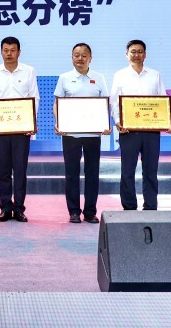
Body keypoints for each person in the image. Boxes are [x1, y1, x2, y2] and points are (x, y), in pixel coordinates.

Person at [110, 39, 171, 211]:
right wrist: (118, 121)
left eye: (139, 51)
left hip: (151, 131)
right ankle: (129, 207)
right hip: (128, 130)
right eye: (133, 51)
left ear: (145, 54)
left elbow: (162, 99)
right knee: (127, 171)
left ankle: (150, 206)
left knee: (151, 171)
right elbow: (114, 102)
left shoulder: (155, 75)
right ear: (127, 54)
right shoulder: (120, 75)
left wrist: (167, 121)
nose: (136, 55)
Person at [0, 36, 40, 223]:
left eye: (13, 50)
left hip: (22, 130)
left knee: (20, 170)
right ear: (1, 52)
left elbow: (34, 97)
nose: (9, 54)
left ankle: (20, 209)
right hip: (0, 130)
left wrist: (30, 122)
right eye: (6, 50)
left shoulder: (29, 71)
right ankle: (5, 208)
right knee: (4, 171)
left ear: (19, 52)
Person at [53, 43, 109, 224]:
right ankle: (74, 212)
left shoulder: (99, 77)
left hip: (93, 134)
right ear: (72, 58)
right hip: (71, 134)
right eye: (76, 55)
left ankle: (90, 212)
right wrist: (59, 123)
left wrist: (105, 124)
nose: (80, 58)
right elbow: (57, 104)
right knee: (71, 173)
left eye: (84, 55)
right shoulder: (64, 78)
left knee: (92, 173)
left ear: (90, 58)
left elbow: (105, 103)